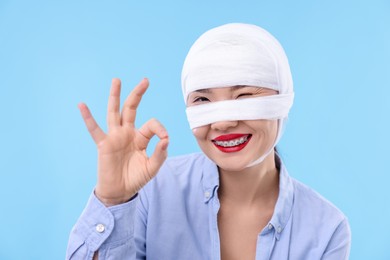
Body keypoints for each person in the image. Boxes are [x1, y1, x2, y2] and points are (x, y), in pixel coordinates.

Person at [66, 23, 351, 260]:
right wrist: (113, 201)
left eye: (245, 97)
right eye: (203, 100)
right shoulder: (152, 192)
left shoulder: (326, 229)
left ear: (282, 101)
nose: (223, 122)